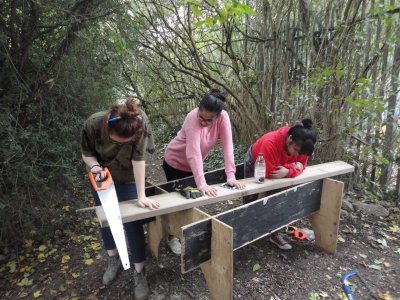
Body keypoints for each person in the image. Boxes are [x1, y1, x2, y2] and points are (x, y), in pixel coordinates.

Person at [81, 96, 159, 299]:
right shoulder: (93, 124)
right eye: (118, 142)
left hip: (129, 176)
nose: (122, 146)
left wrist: (141, 196)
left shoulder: (140, 123)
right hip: (102, 176)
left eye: (127, 142)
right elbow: (86, 153)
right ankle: (113, 258)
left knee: (132, 221)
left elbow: (139, 159)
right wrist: (96, 167)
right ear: (108, 129)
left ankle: (139, 270)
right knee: (106, 219)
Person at [162, 89, 245, 254]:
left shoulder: (223, 118)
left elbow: (227, 146)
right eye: (202, 117)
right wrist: (202, 183)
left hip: (192, 166)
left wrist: (231, 175)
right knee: (178, 203)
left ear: (218, 116)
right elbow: (193, 153)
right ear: (198, 109)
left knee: (191, 202)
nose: (204, 122)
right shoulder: (192, 117)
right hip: (174, 162)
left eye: (209, 119)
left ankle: (185, 233)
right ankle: (171, 238)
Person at [243, 118, 317, 250]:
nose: (296, 154)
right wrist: (294, 168)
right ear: (289, 139)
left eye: (299, 153)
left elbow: (302, 165)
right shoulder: (270, 142)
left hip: (281, 169)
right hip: (257, 162)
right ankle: (246, 228)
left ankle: (273, 232)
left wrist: (288, 171)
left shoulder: (303, 146)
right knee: (251, 198)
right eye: (295, 150)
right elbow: (268, 173)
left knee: (277, 199)